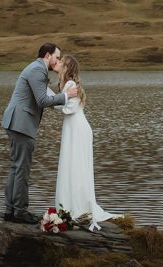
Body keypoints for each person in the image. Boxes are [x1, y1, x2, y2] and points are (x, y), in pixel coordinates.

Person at [2, 43, 78, 224]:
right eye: (57, 57)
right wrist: (67, 95)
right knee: (22, 169)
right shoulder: (38, 70)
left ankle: (10, 210)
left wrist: (61, 99)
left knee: (16, 167)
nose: (58, 61)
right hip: (21, 124)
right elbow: (42, 100)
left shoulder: (35, 69)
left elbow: (45, 98)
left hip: (16, 122)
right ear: (47, 55)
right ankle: (20, 211)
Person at [53, 54, 119, 231]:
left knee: (75, 165)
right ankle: (74, 204)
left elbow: (68, 108)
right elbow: (63, 104)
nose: (57, 63)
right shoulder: (67, 85)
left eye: (60, 62)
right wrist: (54, 98)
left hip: (77, 130)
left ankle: (77, 206)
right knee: (74, 166)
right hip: (74, 129)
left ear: (66, 67)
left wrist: (53, 99)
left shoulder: (70, 85)